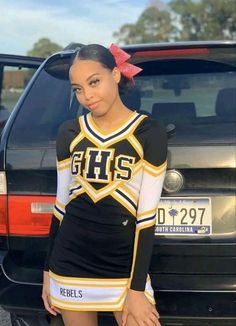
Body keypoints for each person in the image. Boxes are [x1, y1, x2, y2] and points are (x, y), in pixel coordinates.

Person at [42, 43, 167, 326]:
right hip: (70, 263)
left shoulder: (148, 132)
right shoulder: (70, 132)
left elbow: (146, 218)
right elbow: (61, 206)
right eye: (78, 88)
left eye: (94, 82)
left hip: (123, 269)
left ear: (115, 74)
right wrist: (48, 272)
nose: (87, 95)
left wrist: (136, 290)